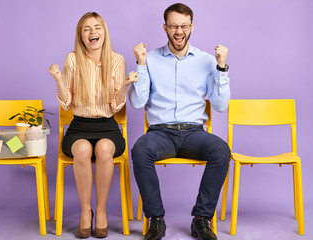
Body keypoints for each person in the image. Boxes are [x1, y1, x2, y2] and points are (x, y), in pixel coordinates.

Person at [129, 3, 231, 240]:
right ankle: (156, 219)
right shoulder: (150, 58)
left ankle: (202, 219)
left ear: (192, 27)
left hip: (194, 132)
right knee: (140, 149)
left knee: (220, 150)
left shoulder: (207, 60)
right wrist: (141, 65)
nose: (179, 31)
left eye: (184, 25)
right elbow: (136, 102)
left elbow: (220, 105)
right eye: (173, 25)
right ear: (165, 27)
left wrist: (222, 68)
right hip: (160, 134)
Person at [48, 12, 138, 238]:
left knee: (104, 149)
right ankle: (85, 211)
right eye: (87, 29)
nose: (93, 32)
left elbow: (115, 107)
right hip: (79, 126)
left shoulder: (117, 60)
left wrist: (125, 85)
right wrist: (59, 80)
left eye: (97, 27)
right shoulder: (72, 59)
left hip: (108, 127)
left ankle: (101, 212)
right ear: (80, 35)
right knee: (82, 150)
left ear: (104, 32)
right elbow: (67, 103)